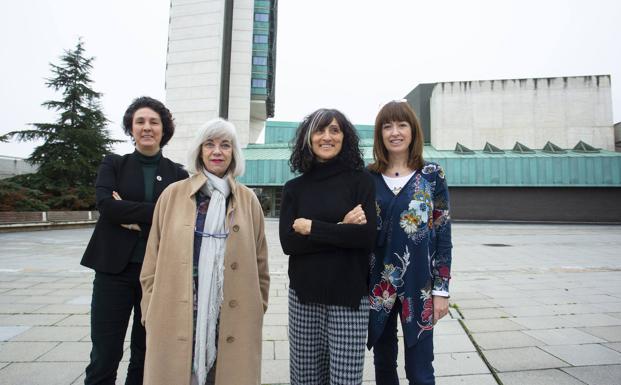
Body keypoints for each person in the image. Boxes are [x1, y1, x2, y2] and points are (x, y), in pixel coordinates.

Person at [140, 118, 269, 385]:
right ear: (200, 151)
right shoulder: (172, 195)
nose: (217, 151)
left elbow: (261, 265)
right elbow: (151, 260)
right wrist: (149, 310)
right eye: (209, 144)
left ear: (234, 153)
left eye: (225, 145)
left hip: (231, 313)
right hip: (177, 312)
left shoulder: (248, 201)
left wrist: (258, 307)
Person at [81, 96, 189, 384]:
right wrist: (155, 215)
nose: (147, 127)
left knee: (145, 353)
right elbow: (107, 206)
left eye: (154, 122)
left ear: (163, 129)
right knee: (105, 352)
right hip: (113, 271)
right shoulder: (114, 164)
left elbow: (180, 219)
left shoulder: (178, 175)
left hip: (157, 275)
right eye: (140, 121)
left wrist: (129, 213)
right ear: (130, 127)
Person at [279, 108, 376, 385]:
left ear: (345, 137)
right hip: (304, 297)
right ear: (308, 139)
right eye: (320, 130)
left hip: (350, 298)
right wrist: (342, 227)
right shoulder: (294, 188)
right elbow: (289, 243)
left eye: (335, 130)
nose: (327, 137)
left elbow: (365, 238)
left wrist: (313, 227)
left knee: (346, 380)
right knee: (305, 379)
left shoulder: (361, 181)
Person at [364, 100, 452, 385]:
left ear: (413, 131)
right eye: (387, 126)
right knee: (384, 365)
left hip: (420, 287)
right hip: (378, 285)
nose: (395, 132)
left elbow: (442, 236)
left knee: (421, 371)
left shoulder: (432, 175)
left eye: (401, 125)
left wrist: (442, 291)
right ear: (380, 134)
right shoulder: (367, 177)